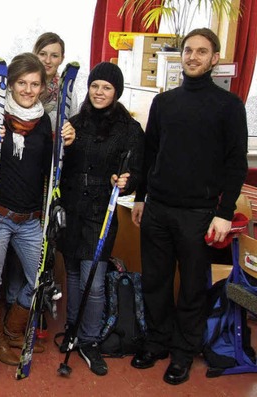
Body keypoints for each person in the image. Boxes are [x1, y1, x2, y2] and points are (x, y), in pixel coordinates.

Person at [130, 28, 247, 385]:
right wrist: (140, 198)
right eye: (188, 51)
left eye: (201, 51)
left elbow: (235, 164)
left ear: (214, 59)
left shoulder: (229, 106)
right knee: (155, 282)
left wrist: (225, 213)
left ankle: (182, 353)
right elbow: (150, 155)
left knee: (193, 287)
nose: (193, 57)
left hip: (199, 214)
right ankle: (157, 342)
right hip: (158, 208)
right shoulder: (164, 103)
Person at [58, 62, 144, 376]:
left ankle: (90, 339)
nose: (99, 92)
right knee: (74, 276)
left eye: (106, 87)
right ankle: (72, 328)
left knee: (94, 281)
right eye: (95, 85)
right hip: (71, 209)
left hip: (100, 212)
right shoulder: (74, 123)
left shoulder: (129, 128)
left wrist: (127, 181)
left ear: (116, 92)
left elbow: (136, 172)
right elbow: (59, 166)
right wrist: (63, 143)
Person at [0, 53, 75, 365]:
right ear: (10, 84)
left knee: (39, 278)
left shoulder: (45, 123)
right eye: (22, 83)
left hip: (30, 220)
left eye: (34, 84)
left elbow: (54, 166)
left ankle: (12, 330)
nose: (28, 89)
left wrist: (67, 140)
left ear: (43, 87)